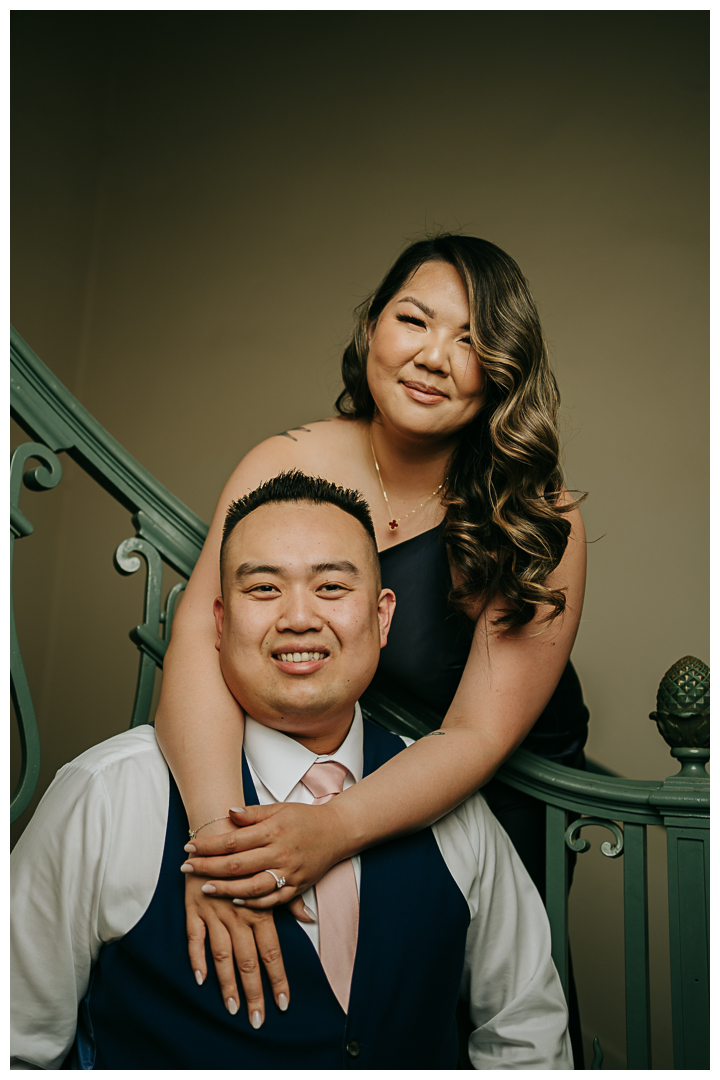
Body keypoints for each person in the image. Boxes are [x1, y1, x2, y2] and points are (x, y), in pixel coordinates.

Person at [155, 234, 588, 1062]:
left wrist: (333, 829)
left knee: (459, 1010)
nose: (435, 356)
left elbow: (475, 736)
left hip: (495, 792)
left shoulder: (536, 513)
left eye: (470, 339)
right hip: (331, 759)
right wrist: (222, 848)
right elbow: (199, 639)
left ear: (504, 368)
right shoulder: (286, 459)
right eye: (414, 320)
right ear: (371, 329)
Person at [11, 474, 572, 1070]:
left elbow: (526, 1035)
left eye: (331, 585)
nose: (299, 617)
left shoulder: (454, 809)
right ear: (220, 624)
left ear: (383, 619)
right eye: (263, 589)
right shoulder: (112, 794)